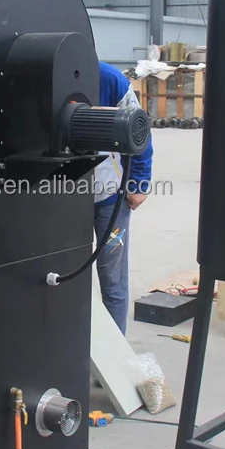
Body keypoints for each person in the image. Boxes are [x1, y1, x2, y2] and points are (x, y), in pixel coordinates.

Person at [93, 61, 154, 335]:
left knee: (112, 278)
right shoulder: (47, 76)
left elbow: (138, 128)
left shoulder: (109, 79)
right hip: (62, 199)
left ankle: (116, 348)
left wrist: (138, 183)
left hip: (110, 197)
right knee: (62, 275)